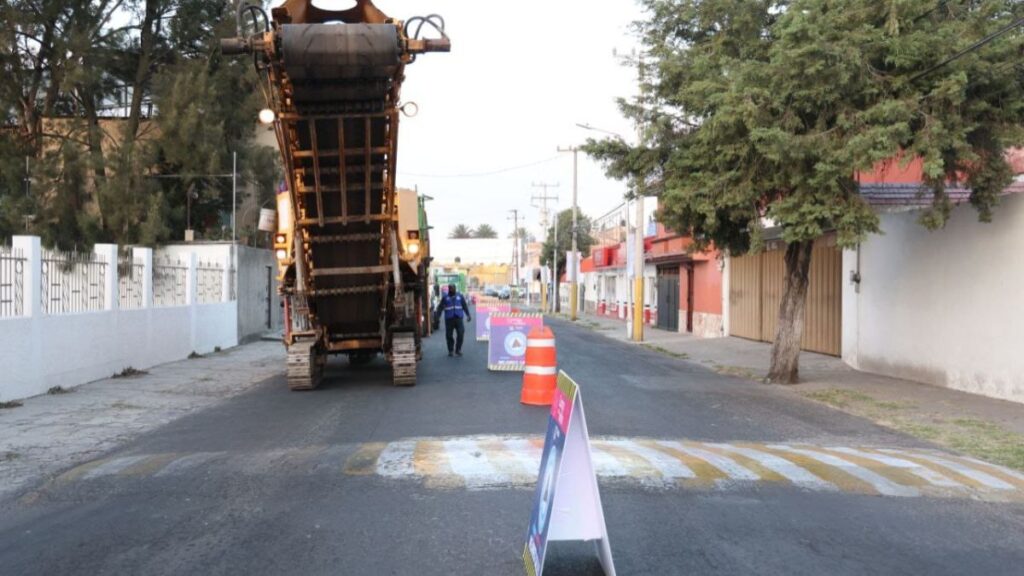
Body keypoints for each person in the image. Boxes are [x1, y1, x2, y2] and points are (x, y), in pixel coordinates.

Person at [435, 283, 472, 357]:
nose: (451, 289)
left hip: (458, 318)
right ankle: (451, 350)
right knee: (449, 335)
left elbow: (464, 306)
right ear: (449, 289)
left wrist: (468, 315)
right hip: (449, 319)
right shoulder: (445, 297)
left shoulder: (460, 296)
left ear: (455, 288)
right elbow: (440, 307)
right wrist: (437, 317)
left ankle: (458, 349)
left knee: (461, 334)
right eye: (450, 288)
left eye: (453, 288)